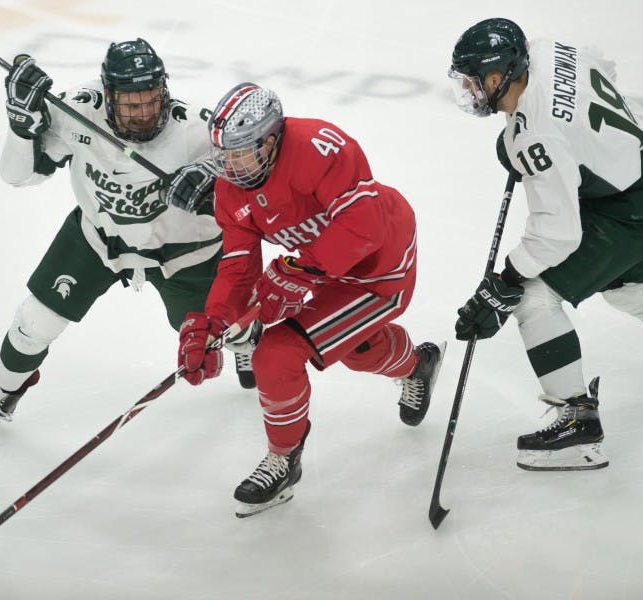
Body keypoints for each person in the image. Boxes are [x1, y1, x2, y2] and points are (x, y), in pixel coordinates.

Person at [447, 18, 643, 471]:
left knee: (533, 296)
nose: (470, 91)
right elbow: (601, 65)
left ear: (499, 76)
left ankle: (576, 425)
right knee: (629, 288)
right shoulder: (547, 49)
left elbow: (557, 232)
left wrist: (505, 281)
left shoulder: (534, 135)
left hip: (633, 205)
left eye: (474, 80)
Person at [0, 39, 258, 437]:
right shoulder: (77, 110)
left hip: (185, 253)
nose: (144, 114)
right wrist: (21, 127)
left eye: (150, 101)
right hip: (98, 236)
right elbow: (19, 175)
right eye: (131, 105)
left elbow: (251, 195)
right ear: (108, 96)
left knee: (218, 328)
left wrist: (215, 185)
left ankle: (245, 344)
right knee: (35, 320)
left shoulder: (199, 130)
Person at [174, 82, 446, 517]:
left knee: (274, 353)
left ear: (271, 139)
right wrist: (214, 321)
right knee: (357, 349)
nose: (230, 166)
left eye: (241, 152)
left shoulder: (320, 146)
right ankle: (418, 365)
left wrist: (302, 271)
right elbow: (239, 265)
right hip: (319, 267)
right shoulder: (231, 188)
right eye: (223, 155)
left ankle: (283, 460)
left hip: (379, 268)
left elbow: (364, 227)